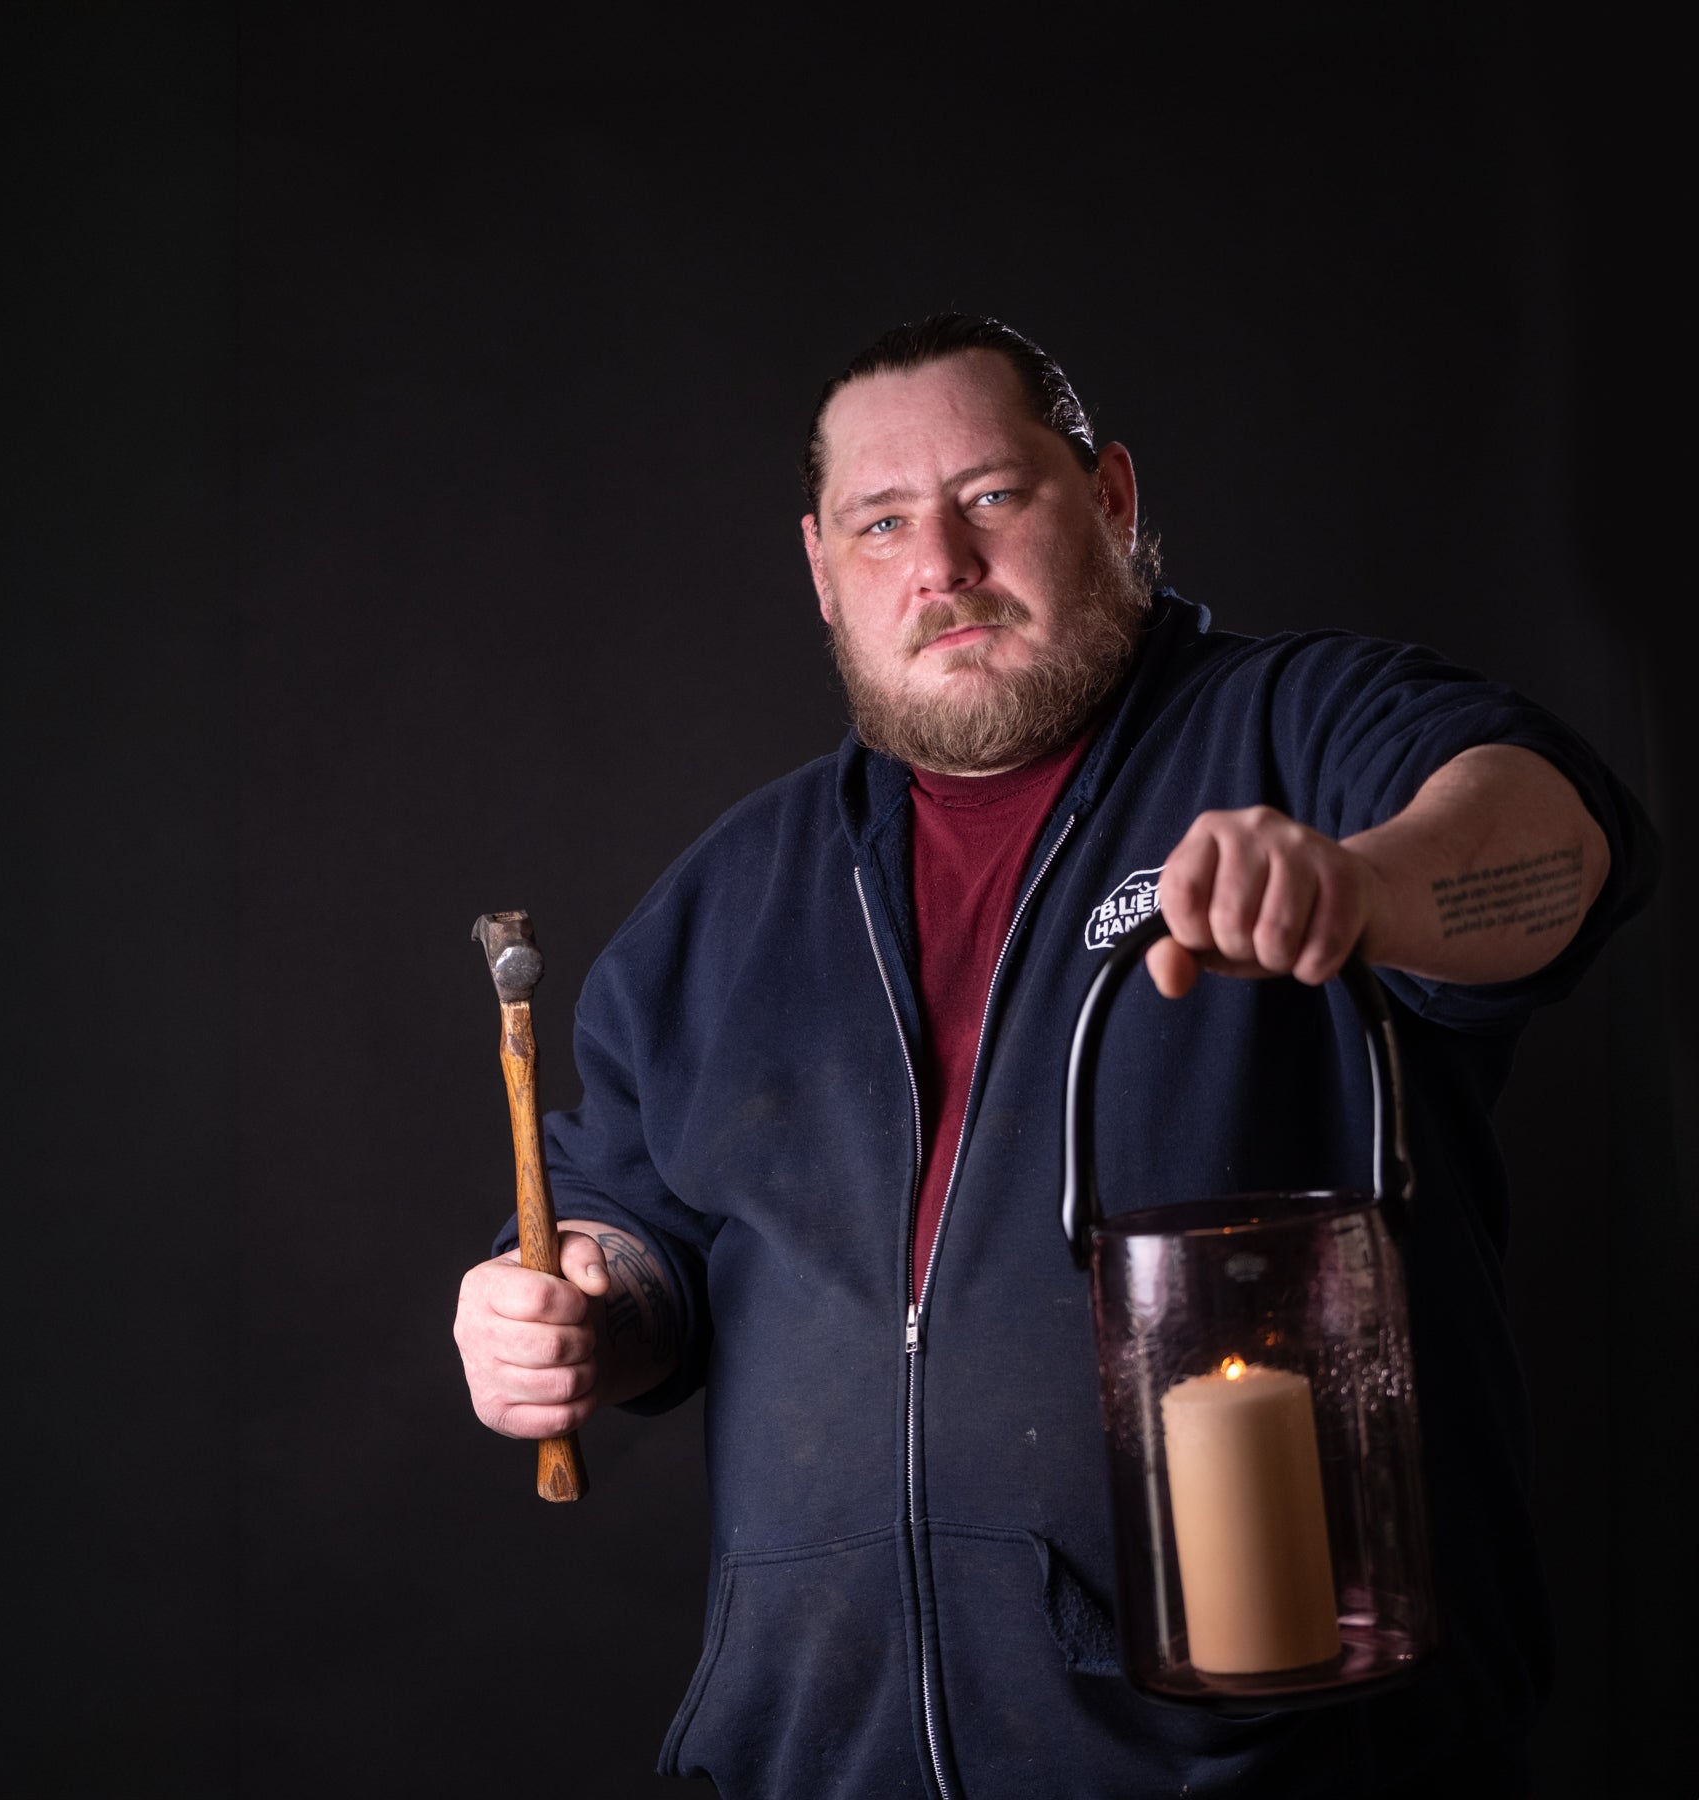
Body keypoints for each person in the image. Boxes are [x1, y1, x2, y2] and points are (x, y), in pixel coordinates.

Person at [453, 315, 1657, 1798]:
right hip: (817, 1764)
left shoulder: (1295, 733)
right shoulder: (724, 902)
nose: (941, 563)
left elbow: (1562, 846)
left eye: (994, 496)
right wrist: (576, 1311)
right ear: (825, 572)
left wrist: (1370, 888)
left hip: (1268, 1768)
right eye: (882, 522)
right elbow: (632, 1238)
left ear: (1114, 498)